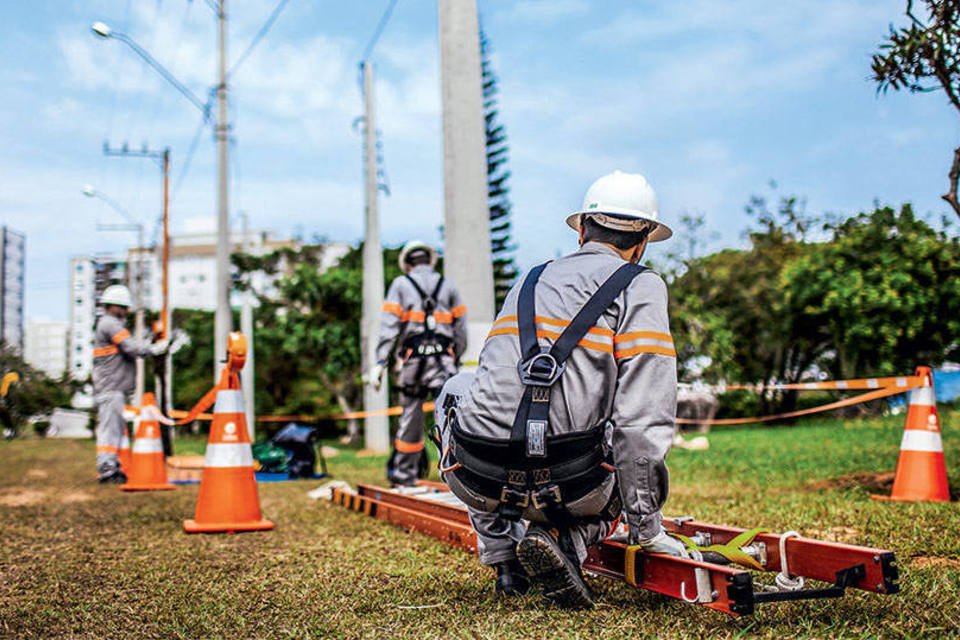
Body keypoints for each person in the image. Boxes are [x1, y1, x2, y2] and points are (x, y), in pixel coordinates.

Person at [435, 171, 687, 609]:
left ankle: (504, 559)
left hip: (480, 477)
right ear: (642, 240)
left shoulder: (529, 280)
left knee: (457, 388)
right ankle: (572, 545)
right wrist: (648, 531)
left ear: (582, 230)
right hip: (575, 486)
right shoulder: (641, 285)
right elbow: (642, 419)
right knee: (621, 427)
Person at [368, 241, 467, 487]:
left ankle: (404, 477)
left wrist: (381, 361)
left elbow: (389, 327)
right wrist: (456, 356)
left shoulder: (401, 285)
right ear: (429, 260)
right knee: (450, 418)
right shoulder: (448, 285)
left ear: (408, 264)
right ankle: (457, 478)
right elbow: (461, 330)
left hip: (414, 363)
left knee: (411, 418)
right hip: (445, 363)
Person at [93, 285, 168, 483]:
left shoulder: (108, 323)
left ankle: (110, 466)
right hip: (111, 386)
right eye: (123, 307)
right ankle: (107, 469)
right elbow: (132, 347)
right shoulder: (110, 324)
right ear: (114, 306)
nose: (126, 312)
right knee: (110, 430)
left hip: (111, 386)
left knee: (114, 429)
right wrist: (155, 349)